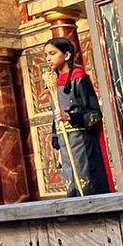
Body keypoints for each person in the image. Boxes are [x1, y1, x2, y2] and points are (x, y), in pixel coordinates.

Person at [45, 37, 114, 196]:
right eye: (46, 55)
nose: (48, 58)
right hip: (65, 141)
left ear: (67, 55)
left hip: (82, 140)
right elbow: (55, 113)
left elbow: (95, 114)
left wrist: (70, 117)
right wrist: (56, 137)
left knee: (86, 183)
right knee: (71, 184)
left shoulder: (78, 77)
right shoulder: (53, 82)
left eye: (52, 53)